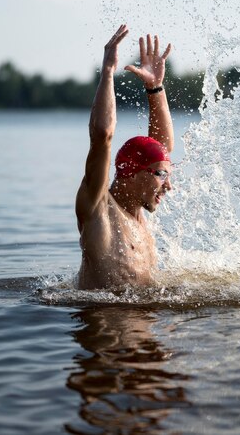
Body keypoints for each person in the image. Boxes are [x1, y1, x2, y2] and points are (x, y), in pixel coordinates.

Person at [76, 24, 174, 289]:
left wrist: (155, 89)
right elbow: (102, 134)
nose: (169, 185)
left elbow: (162, 149)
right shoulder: (99, 209)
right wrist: (107, 72)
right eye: (162, 175)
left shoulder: (140, 219)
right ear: (132, 171)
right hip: (104, 324)